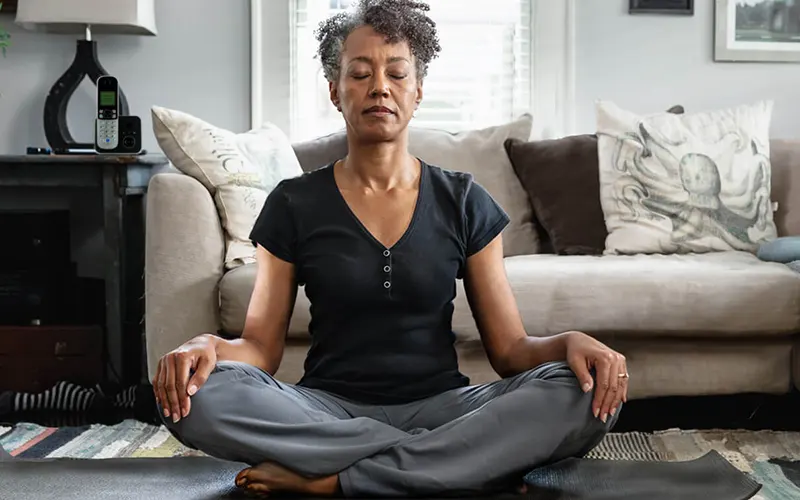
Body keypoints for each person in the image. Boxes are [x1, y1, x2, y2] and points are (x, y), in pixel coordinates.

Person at [152, 0, 629, 497]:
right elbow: (261, 351)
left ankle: (341, 479)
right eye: (359, 74)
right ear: (335, 92)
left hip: (445, 405)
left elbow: (510, 352)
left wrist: (569, 342)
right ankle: (457, 460)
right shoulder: (294, 202)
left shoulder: (463, 199)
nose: (379, 86)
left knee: (582, 391)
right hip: (325, 409)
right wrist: (207, 346)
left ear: (417, 91)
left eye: (397, 74)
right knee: (197, 394)